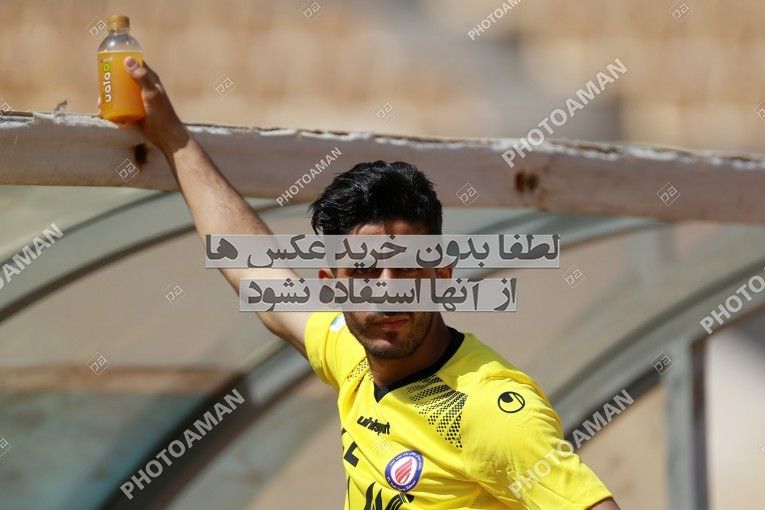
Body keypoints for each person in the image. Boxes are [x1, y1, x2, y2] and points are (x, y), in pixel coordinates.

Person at [120, 56, 621, 510]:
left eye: (407, 269)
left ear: (442, 275)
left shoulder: (491, 411)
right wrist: (173, 138)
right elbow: (255, 268)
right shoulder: (354, 353)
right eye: (364, 272)